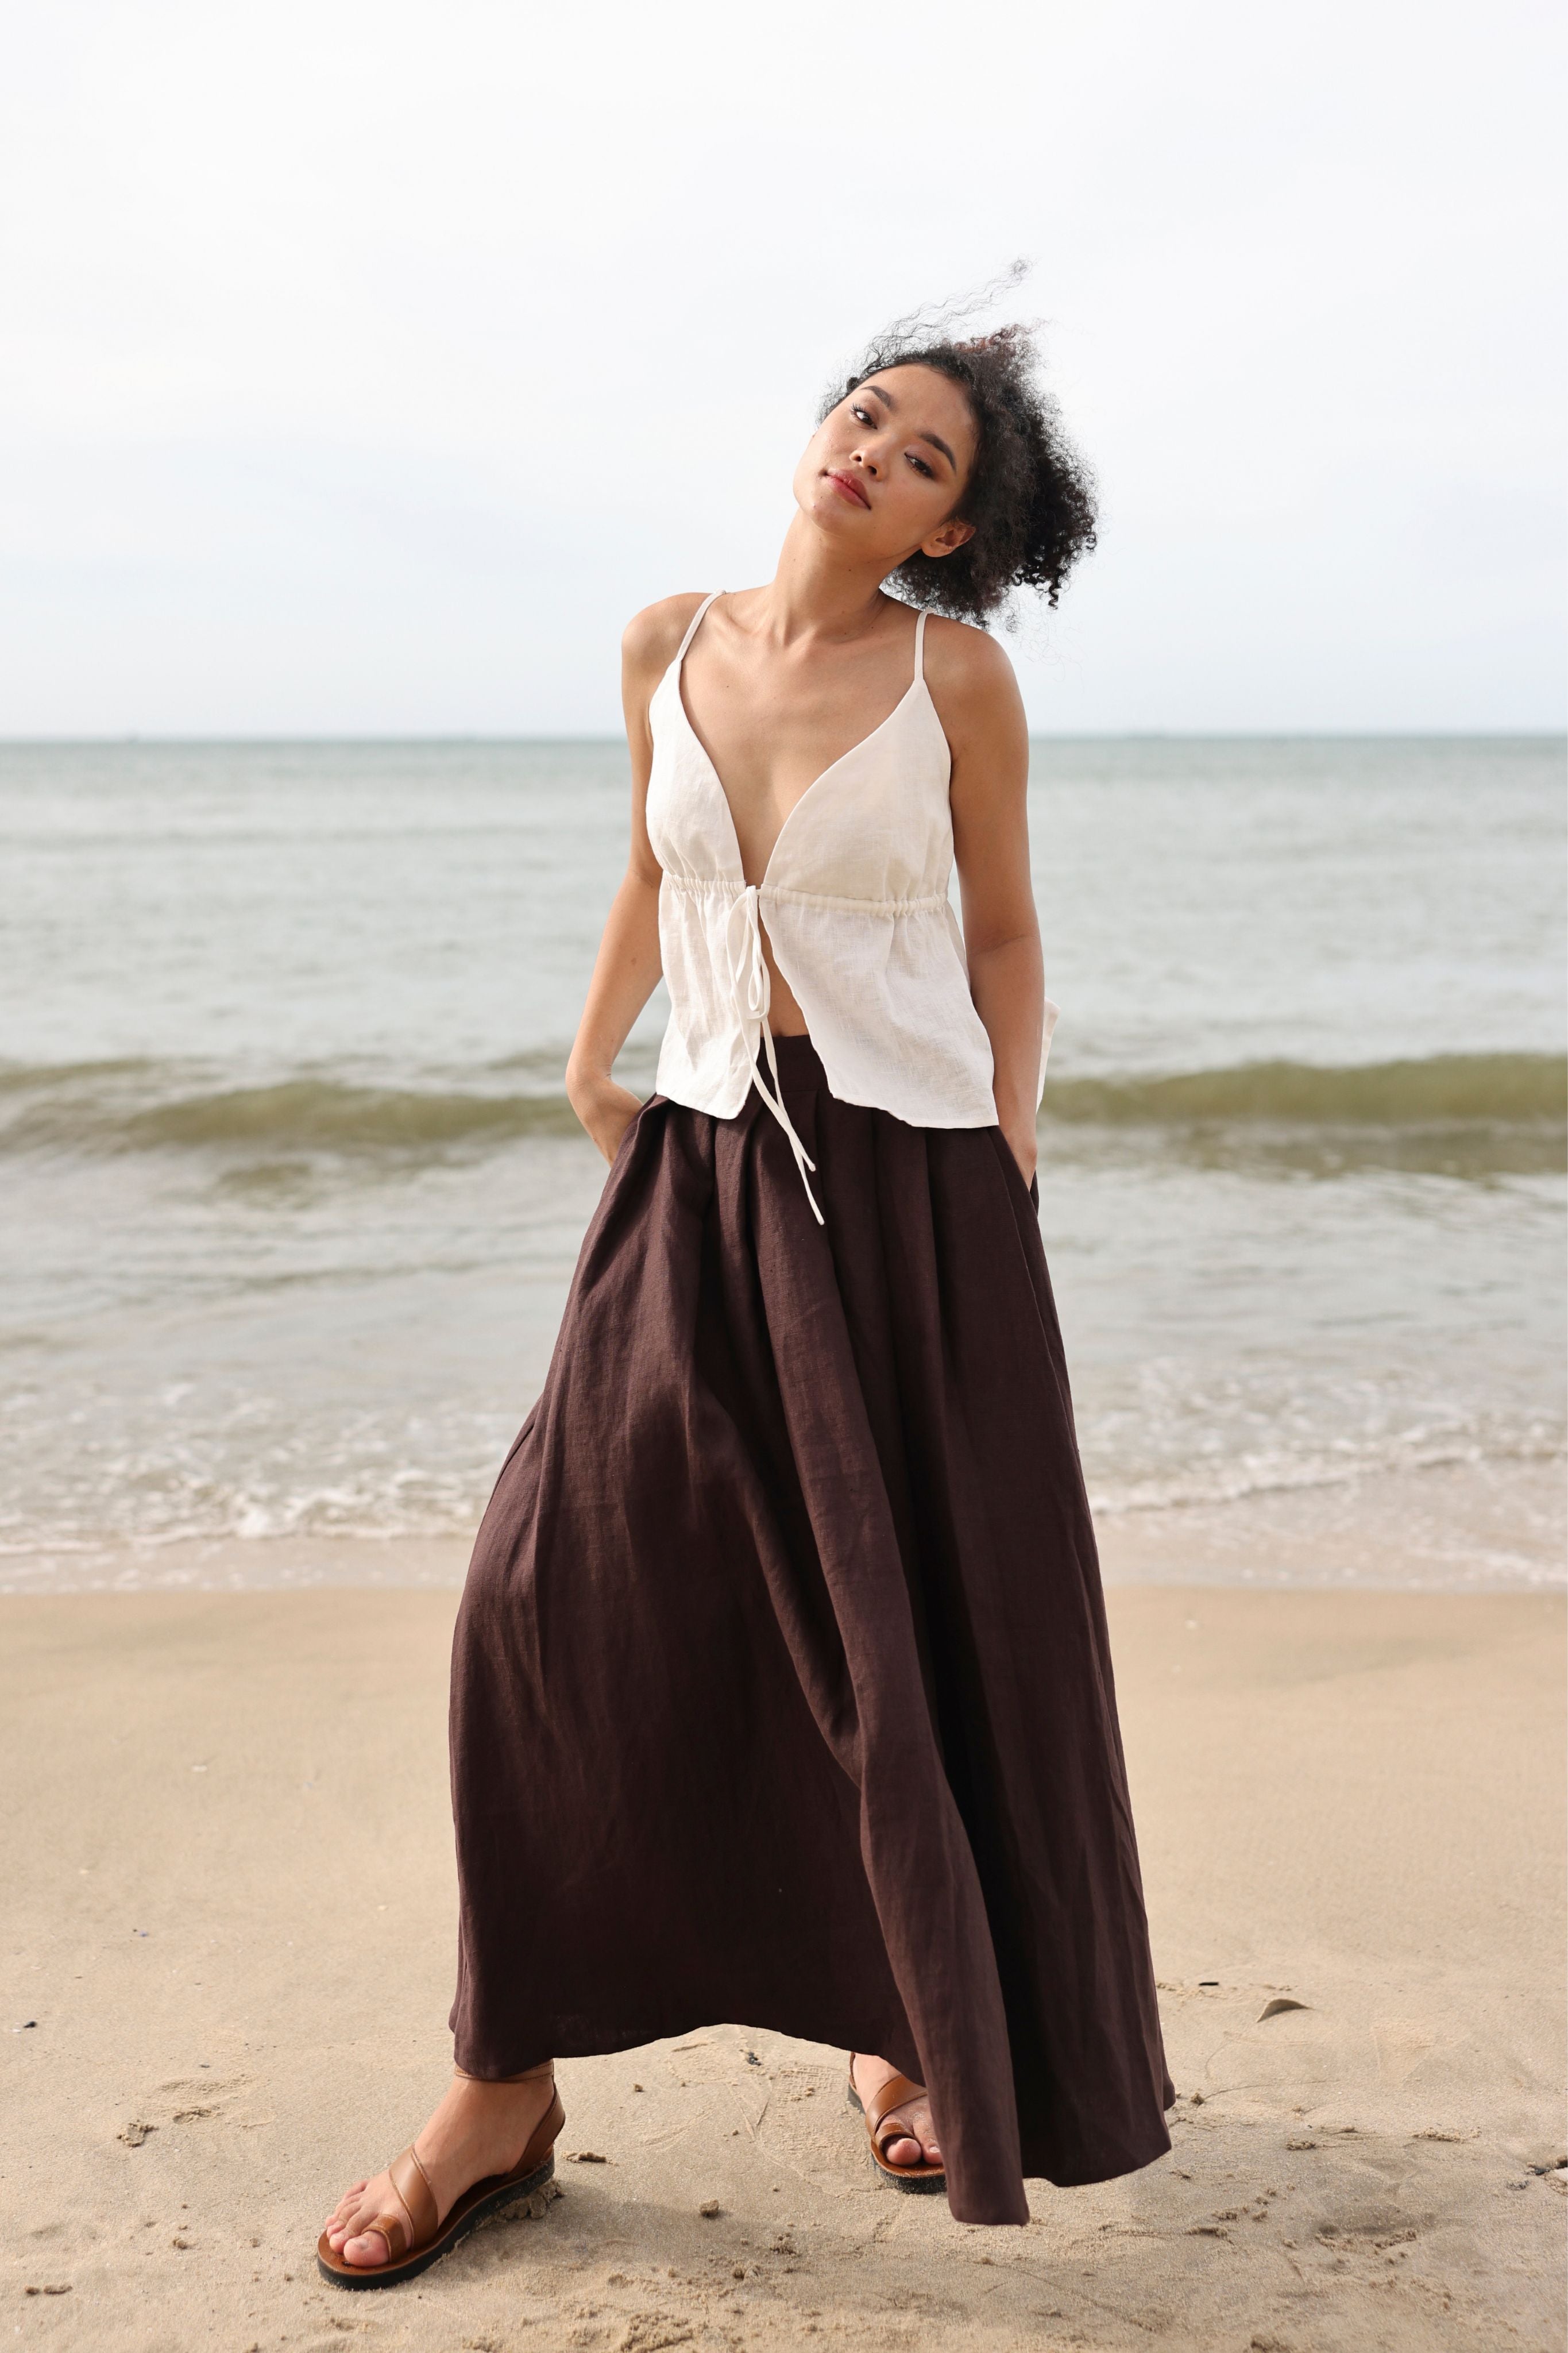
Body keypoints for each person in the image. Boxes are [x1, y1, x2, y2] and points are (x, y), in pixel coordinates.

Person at [319, 307, 1173, 2289]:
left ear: (953, 533)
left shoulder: (955, 684)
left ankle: (902, 2019)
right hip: (700, 1154)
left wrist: (1011, 1141)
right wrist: (586, 1058)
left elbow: (1010, 928)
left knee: (900, 1624)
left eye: (926, 458)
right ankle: (502, 2086)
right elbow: (653, 862)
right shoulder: (662, 642)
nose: (872, 449)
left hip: (908, 1181)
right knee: (541, 1598)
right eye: (866, 414)